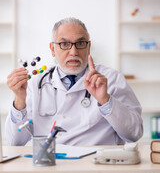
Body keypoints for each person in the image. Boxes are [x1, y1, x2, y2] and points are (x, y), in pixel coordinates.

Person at [5, 17, 143, 146]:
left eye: (80, 43)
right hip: (51, 166)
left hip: (98, 166)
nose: (73, 52)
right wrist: (19, 101)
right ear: (53, 49)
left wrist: (106, 100)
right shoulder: (35, 84)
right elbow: (15, 142)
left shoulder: (111, 79)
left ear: (88, 47)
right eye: (64, 44)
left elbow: (134, 134)